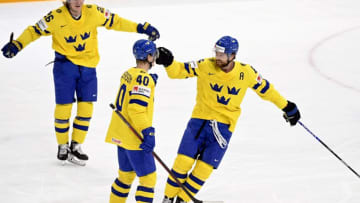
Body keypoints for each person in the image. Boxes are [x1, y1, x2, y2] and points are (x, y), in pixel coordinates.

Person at [1, 0, 160, 164]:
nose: (78, 1)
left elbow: (116, 21)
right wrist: (17, 44)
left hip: (88, 67)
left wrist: (140, 27)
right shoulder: (55, 17)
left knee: (86, 107)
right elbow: (34, 30)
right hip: (65, 65)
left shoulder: (93, 12)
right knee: (64, 106)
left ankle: (76, 145)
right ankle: (62, 145)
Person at [155, 36, 301, 203]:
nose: (217, 57)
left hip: (224, 128)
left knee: (204, 169)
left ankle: (182, 200)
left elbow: (266, 90)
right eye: (216, 52)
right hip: (199, 122)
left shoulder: (246, 73)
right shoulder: (205, 65)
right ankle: (167, 199)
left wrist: (286, 106)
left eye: (222, 55)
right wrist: (168, 62)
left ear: (233, 55)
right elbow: (178, 71)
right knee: (183, 162)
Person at [105, 39, 159, 203]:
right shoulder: (144, 80)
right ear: (149, 57)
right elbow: (136, 109)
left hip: (121, 135)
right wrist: (147, 131)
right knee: (148, 179)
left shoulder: (129, 73)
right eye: (153, 55)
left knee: (126, 177)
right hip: (135, 137)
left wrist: (149, 81)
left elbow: (131, 92)